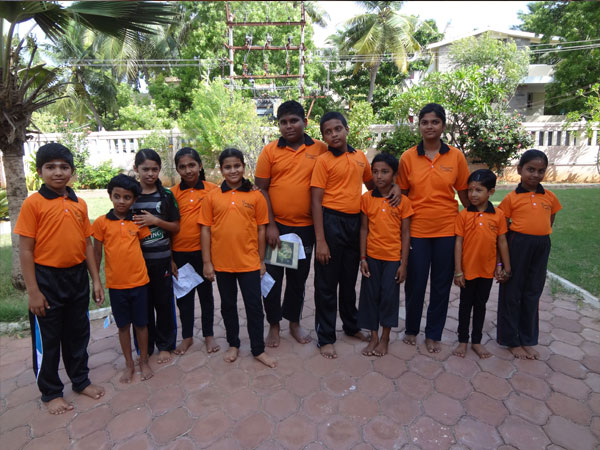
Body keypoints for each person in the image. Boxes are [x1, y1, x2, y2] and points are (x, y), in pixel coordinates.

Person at [14, 143, 105, 414]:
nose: (58, 172)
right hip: (46, 280)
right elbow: (26, 250)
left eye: (64, 167)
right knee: (49, 339)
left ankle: (80, 380)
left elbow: (87, 244)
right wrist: (33, 291)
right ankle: (51, 392)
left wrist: (95, 280)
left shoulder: (79, 204)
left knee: (78, 334)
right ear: (39, 171)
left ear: (72, 172)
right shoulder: (33, 204)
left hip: (76, 278)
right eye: (50, 167)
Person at [311, 111, 402, 359]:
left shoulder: (360, 157)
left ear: (347, 129)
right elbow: (316, 201)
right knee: (326, 283)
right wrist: (321, 240)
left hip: (355, 223)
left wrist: (395, 186)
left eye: (338, 129)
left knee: (349, 281)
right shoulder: (323, 161)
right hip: (330, 222)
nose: (334, 134)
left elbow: (374, 185)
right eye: (328, 132)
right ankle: (325, 337)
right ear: (324, 137)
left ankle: (351, 326)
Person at [397, 103, 470, 353]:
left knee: (441, 285)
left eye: (435, 122)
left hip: (447, 230)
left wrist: (479, 217)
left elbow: (464, 193)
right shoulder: (408, 157)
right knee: (415, 284)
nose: (430, 126)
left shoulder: (456, 157)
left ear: (443, 126)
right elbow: (402, 196)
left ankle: (433, 333)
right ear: (419, 126)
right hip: (417, 230)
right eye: (425, 122)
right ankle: (411, 329)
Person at [255, 100, 328, 347]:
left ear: (305, 122)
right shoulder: (270, 151)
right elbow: (261, 190)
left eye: (294, 121)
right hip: (279, 229)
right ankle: (274, 325)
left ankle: (294, 323)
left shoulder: (320, 149)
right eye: (283, 122)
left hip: (306, 229)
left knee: (298, 280)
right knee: (273, 279)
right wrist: (271, 225)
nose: (289, 126)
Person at [199, 148, 277, 368]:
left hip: (249, 263)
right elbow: (205, 230)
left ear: (243, 167)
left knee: (254, 307)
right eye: (228, 167)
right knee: (228, 306)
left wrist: (261, 261)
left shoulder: (255, 196)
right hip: (222, 264)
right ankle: (233, 344)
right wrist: (207, 262)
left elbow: (261, 230)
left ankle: (258, 349)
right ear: (221, 169)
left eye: (237, 166)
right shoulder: (212, 197)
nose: (233, 170)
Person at [497, 149, 561, 360]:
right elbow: (502, 229)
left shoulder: (549, 197)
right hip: (518, 244)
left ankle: (527, 339)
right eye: (530, 169)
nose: (535, 174)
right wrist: (501, 262)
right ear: (519, 170)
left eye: (540, 171)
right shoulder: (511, 198)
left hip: (541, 246)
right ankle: (511, 339)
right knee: (512, 291)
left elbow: (550, 220)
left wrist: (539, 237)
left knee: (533, 291)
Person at [92, 174, 153, 383]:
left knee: (142, 325)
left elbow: (143, 248)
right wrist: (96, 282)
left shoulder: (138, 221)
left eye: (127, 197)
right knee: (123, 326)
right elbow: (97, 254)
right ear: (110, 195)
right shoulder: (101, 223)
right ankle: (129, 364)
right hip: (116, 286)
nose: (121, 201)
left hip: (140, 283)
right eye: (117, 196)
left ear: (134, 200)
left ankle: (143, 360)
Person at [358, 153, 413, 357]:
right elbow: (364, 229)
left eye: (384, 171)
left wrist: (403, 264)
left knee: (389, 298)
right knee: (370, 297)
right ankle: (373, 336)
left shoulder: (403, 201)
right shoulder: (366, 199)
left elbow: (406, 234)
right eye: (375, 172)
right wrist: (363, 258)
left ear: (395, 175)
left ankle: (385, 338)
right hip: (372, 257)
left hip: (392, 259)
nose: (379, 176)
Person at [452, 169, 511, 359]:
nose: (473, 194)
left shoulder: (498, 215)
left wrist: (504, 266)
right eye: (470, 190)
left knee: (480, 305)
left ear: (491, 192)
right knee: (465, 305)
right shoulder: (463, 215)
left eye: (478, 190)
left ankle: (476, 341)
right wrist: (458, 271)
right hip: (467, 271)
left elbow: (502, 242)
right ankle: (462, 340)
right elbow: (458, 243)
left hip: (486, 271)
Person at [132, 149, 180, 364]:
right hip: (137, 263)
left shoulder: (166, 196)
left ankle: (166, 345)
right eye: (145, 169)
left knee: (163, 304)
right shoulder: (130, 195)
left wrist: (156, 221)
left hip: (161, 261)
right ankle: (144, 346)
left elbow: (176, 227)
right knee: (141, 306)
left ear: (159, 169)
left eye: (154, 169)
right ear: (136, 169)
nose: (150, 174)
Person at [170, 147, 220, 355]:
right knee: (184, 298)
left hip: (204, 253)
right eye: (182, 167)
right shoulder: (171, 194)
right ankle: (187, 337)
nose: (188, 170)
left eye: (192, 165)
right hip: (180, 254)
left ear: (200, 165)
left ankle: (209, 335)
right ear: (177, 170)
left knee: (206, 296)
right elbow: (167, 228)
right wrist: (171, 258)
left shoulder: (213, 190)